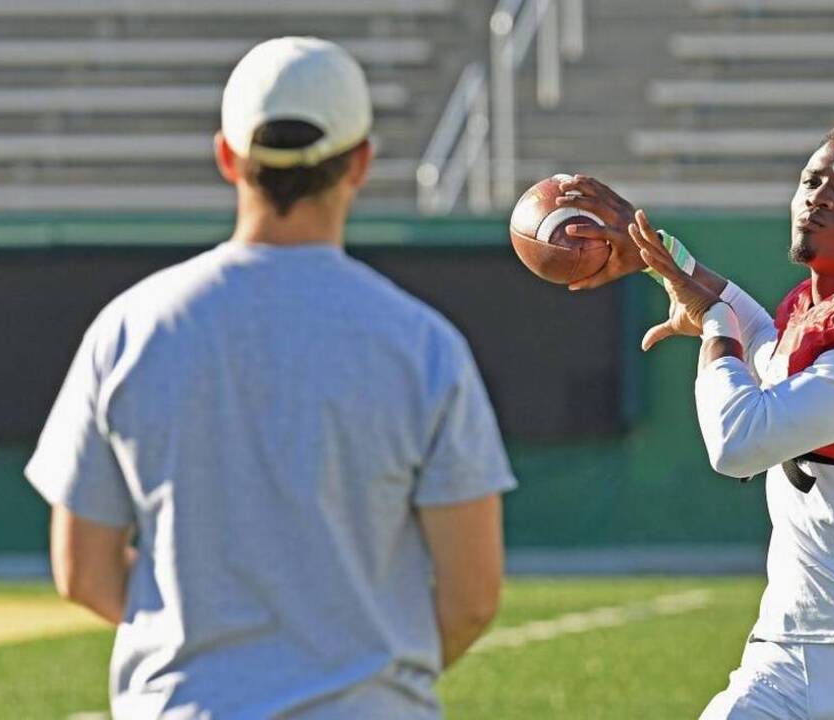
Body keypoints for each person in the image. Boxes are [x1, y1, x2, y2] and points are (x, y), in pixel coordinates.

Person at [26, 37, 515, 719]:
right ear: (361, 163)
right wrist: (356, 666)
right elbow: (472, 597)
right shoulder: (424, 345)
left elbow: (81, 570)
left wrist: (208, 633)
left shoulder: (129, 329)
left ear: (227, 156)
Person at [558, 119, 834, 719]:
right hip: (789, 647)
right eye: (812, 180)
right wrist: (660, 256)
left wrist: (711, 325)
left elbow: (738, 442)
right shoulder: (812, 310)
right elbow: (766, 336)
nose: (821, 195)